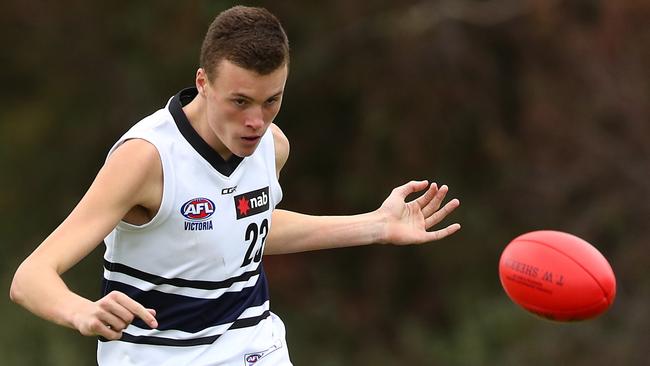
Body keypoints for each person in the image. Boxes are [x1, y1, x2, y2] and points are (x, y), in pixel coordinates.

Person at [9, 5, 461, 366]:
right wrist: (82, 311)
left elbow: (246, 227)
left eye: (272, 101)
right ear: (203, 83)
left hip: (253, 344)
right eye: (240, 102)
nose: (256, 122)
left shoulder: (272, 146)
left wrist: (375, 225)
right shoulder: (146, 160)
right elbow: (30, 278)